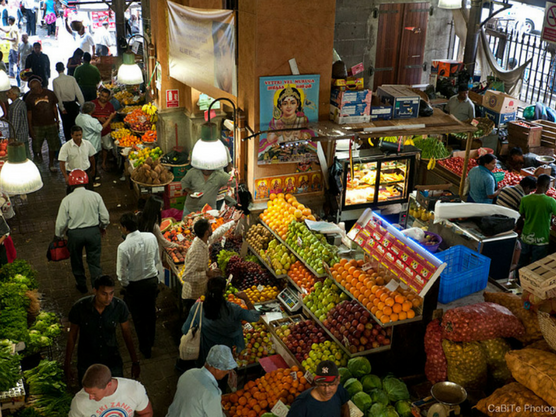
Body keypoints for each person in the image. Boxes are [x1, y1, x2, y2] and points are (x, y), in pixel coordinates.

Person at [65, 276, 141, 384]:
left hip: (111, 359)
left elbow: (127, 334)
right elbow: (72, 336)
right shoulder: (80, 308)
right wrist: (67, 364)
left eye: (111, 293)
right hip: (87, 360)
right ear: (95, 291)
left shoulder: (119, 307)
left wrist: (135, 361)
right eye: (104, 294)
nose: (108, 298)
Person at [182, 277, 260, 367]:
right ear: (223, 291)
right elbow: (254, 317)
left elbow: (185, 330)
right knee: (222, 378)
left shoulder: (197, 308)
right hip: (225, 357)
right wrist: (246, 299)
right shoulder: (233, 309)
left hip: (205, 357)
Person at [55, 169, 109, 293]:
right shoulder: (96, 196)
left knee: (76, 260)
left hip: (75, 235)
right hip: (93, 232)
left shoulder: (67, 200)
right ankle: (97, 286)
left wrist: (58, 235)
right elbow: (105, 217)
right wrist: (102, 227)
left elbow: (60, 223)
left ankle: (82, 285)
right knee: (94, 261)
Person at [116, 213, 161, 359]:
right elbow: (156, 259)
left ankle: (145, 347)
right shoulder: (151, 237)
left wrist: (125, 285)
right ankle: (151, 341)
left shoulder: (123, 247)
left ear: (124, 228)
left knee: (138, 317)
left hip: (135, 286)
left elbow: (121, 272)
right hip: (151, 282)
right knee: (150, 313)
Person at [181, 215, 239, 317]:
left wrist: (233, 221)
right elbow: (186, 276)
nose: (212, 227)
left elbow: (217, 233)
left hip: (200, 293)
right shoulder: (196, 251)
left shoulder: (202, 240)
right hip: (192, 297)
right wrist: (207, 273)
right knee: (194, 327)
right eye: (210, 226)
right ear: (207, 232)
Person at [166, 345, 237, 417]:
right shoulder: (212, 393)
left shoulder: (189, 373)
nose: (228, 372)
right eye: (227, 369)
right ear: (218, 369)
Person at [69, 364, 150, 417]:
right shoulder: (79, 402)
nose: (90, 397)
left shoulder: (134, 389)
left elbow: (146, 413)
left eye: (94, 394)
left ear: (109, 385)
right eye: (87, 392)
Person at [518, 174, 556, 269]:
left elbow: (522, 215)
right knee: (535, 266)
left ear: (536, 184)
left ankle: (517, 281)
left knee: (521, 263)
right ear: (548, 186)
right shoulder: (550, 201)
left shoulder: (525, 199)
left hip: (526, 236)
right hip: (541, 238)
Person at [76, 101, 115, 184]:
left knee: (87, 161)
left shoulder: (79, 117)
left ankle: (93, 176)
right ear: (92, 111)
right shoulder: (92, 121)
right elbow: (101, 128)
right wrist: (110, 118)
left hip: (83, 142)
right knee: (92, 163)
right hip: (92, 144)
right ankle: (91, 181)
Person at [25, 77, 59, 169]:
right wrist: (30, 128)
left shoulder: (50, 93)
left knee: (52, 145)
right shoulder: (29, 97)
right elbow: (29, 113)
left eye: (33, 89)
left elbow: (54, 107)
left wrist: (57, 120)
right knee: (36, 145)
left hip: (50, 124)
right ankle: (37, 159)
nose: (31, 90)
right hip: (37, 125)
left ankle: (51, 163)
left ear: (39, 87)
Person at [53, 62, 85, 142]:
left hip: (64, 105)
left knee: (66, 126)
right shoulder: (71, 78)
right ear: (64, 68)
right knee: (75, 123)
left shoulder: (56, 81)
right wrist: (82, 104)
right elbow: (78, 93)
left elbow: (58, 95)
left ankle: (69, 142)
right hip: (73, 105)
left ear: (56, 70)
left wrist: (61, 107)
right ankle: (77, 140)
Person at [58, 125, 96, 190]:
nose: (79, 137)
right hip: (72, 173)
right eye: (76, 135)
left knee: (89, 190)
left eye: (80, 135)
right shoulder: (66, 147)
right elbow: (62, 163)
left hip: (85, 171)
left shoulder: (87, 144)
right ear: (71, 135)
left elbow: (91, 158)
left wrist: (93, 169)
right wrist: (66, 176)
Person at [91, 88, 116, 170]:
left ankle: (103, 163)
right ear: (99, 95)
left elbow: (113, 116)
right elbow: (88, 116)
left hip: (106, 131)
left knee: (105, 147)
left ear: (108, 98)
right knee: (93, 149)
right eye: (102, 96)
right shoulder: (92, 104)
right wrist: (97, 118)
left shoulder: (110, 106)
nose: (103, 98)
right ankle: (94, 166)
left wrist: (108, 118)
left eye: (105, 97)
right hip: (94, 132)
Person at [6, 86, 31, 159]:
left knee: (20, 154)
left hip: (18, 135)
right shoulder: (21, 103)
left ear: (14, 94)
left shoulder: (15, 107)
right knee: (26, 151)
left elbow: (15, 123)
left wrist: (12, 137)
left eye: (9, 93)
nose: (7, 94)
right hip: (23, 133)